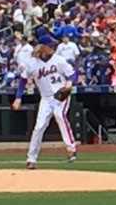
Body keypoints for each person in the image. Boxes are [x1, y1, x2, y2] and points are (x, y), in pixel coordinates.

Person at [11, 40, 77, 169]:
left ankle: (71, 148)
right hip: (46, 98)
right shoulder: (32, 63)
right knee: (39, 127)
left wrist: (69, 83)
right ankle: (31, 159)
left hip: (60, 95)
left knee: (59, 115)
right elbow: (23, 80)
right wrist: (18, 98)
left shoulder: (59, 60)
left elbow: (73, 74)